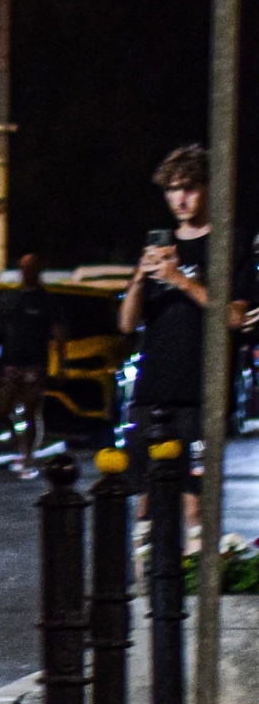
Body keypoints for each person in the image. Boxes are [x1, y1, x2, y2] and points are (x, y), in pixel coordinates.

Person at [121, 144, 217, 526]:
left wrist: (179, 280)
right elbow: (127, 325)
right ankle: (145, 584)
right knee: (144, 501)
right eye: (172, 189)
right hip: (150, 392)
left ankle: (193, 581)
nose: (180, 197)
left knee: (193, 503)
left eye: (189, 186)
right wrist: (140, 278)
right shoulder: (159, 247)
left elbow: (231, 314)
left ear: (208, 187)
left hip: (196, 395)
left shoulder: (225, 245)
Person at [0, 253, 61, 476]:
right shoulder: (9, 298)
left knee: (30, 411)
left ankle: (28, 454)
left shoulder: (46, 300)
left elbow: (59, 332)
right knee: (0, 409)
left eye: (31, 267)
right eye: (23, 267)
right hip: (10, 363)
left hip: (34, 365)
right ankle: (17, 441)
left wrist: (60, 365)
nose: (27, 272)